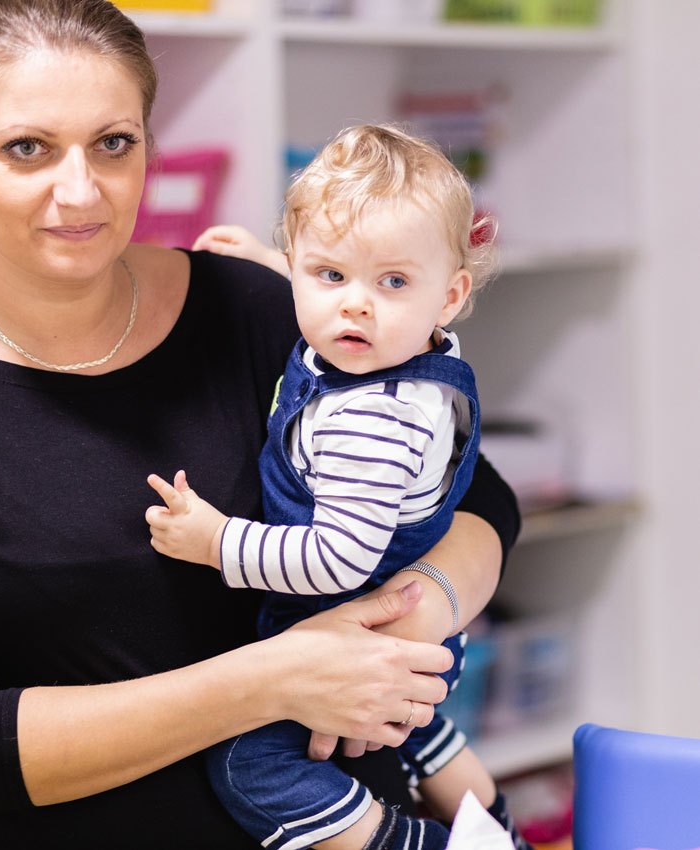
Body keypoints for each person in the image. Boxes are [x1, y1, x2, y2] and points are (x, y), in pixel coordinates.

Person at [0, 2, 519, 848]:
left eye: (113, 143)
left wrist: (418, 612)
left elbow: (479, 498)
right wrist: (272, 681)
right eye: (29, 148)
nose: (80, 189)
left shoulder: (261, 304)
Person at [147, 126, 530, 850]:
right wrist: (272, 265)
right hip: (409, 636)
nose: (354, 306)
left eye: (392, 282)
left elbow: (337, 561)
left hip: (346, 613)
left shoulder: (370, 418)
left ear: (449, 295)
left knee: (249, 763)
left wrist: (215, 541)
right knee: (414, 724)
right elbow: (350, 289)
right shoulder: (414, 347)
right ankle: (497, 827)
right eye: (328, 275)